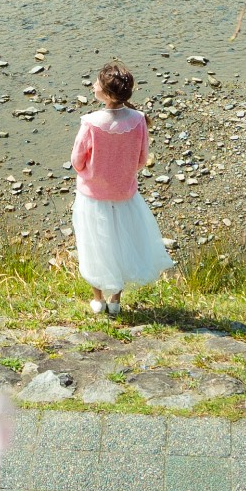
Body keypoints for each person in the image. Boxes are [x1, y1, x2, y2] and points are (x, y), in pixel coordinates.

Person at [70, 61, 175, 315]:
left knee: (95, 243)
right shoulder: (138, 120)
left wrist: (90, 174)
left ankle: (98, 300)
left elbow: (76, 160)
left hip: (92, 196)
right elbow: (141, 159)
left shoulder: (91, 122)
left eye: (97, 83)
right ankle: (116, 300)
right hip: (125, 194)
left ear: (106, 94)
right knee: (121, 243)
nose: (93, 85)